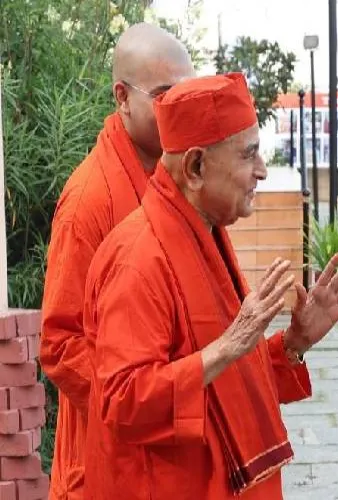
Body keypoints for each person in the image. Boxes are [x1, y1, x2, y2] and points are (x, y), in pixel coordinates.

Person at [81, 73, 338, 499]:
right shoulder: (138, 258)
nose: (262, 171)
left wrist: (293, 342)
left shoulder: (202, 230)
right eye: (249, 155)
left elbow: (227, 377)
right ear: (196, 168)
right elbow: (123, 401)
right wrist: (228, 344)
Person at [39, 23, 196, 500]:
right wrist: (143, 400)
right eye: (165, 95)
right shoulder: (90, 198)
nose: (180, 108)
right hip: (109, 453)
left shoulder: (176, 181)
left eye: (186, 94)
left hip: (168, 437)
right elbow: (60, 343)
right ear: (122, 97)